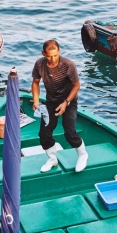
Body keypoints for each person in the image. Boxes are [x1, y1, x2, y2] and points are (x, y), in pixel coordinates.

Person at [32, 40, 88, 173]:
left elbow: (76, 86)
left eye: (55, 55)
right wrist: (35, 100)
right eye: (49, 56)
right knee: (44, 133)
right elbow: (35, 82)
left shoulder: (69, 65)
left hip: (69, 101)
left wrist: (66, 102)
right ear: (43, 53)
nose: (52, 59)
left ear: (59, 52)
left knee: (69, 132)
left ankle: (82, 154)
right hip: (51, 101)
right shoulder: (39, 64)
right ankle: (52, 159)